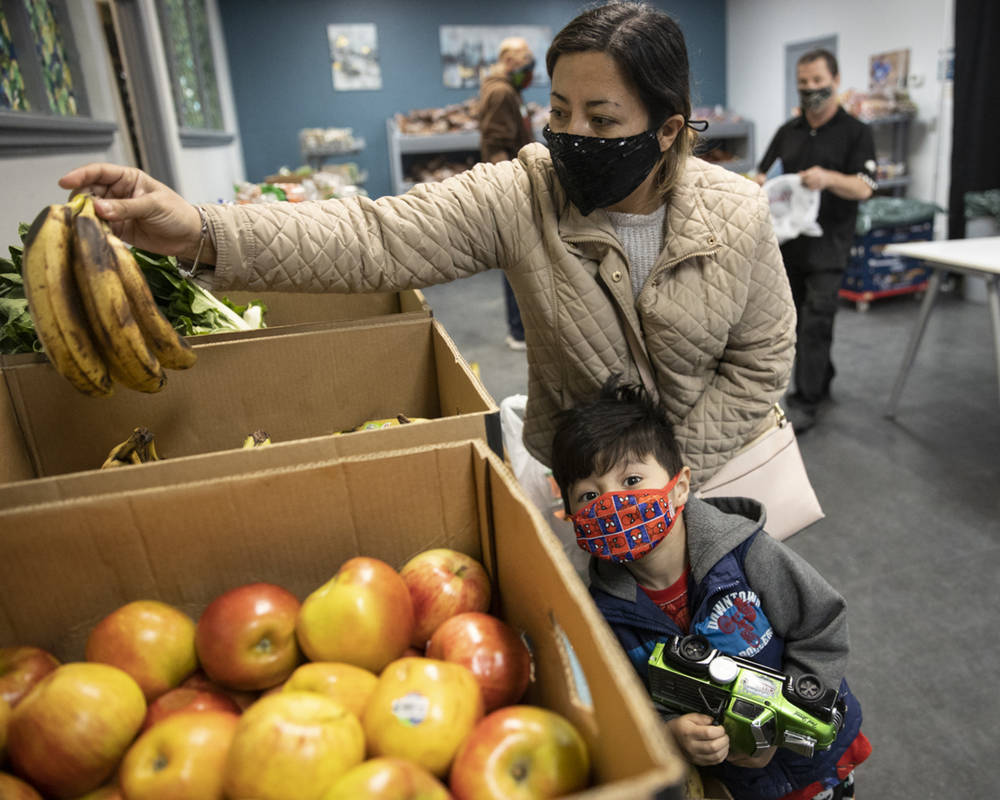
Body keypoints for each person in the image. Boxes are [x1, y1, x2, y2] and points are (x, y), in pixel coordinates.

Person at [58, 2, 795, 488]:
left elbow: (762, 358)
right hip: (578, 485)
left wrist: (674, 473)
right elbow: (373, 237)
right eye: (560, 112)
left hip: (712, 479)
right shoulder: (523, 193)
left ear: (667, 130)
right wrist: (201, 228)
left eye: (602, 122)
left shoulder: (737, 213)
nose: (573, 137)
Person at [550, 378, 871, 800]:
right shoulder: (601, 612)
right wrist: (670, 730)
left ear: (680, 486)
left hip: (811, 764)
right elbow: (623, 699)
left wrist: (781, 723)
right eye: (589, 494)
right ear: (572, 516)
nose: (613, 504)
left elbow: (821, 625)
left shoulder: (747, 553)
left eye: (631, 481)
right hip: (736, 786)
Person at [754, 49, 876, 433]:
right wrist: (757, 184)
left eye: (818, 83)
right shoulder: (787, 132)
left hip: (830, 244)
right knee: (793, 321)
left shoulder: (857, 133)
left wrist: (829, 178)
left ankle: (805, 402)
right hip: (788, 243)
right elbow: (762, 172)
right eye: (803, 84)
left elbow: (865, 187)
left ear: (836, 81)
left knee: (817, 319)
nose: (811, 90)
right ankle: (819, 374)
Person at [477, 36, 536, 351]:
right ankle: (518, 331)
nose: (529, 65)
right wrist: (514, 186)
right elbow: (497, 144)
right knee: (516, 257)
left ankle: (521, 328)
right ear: (509, 61)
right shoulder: (501, 92)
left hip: (514, 181)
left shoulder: (510, 90)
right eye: (525, 59)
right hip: (512, 187)